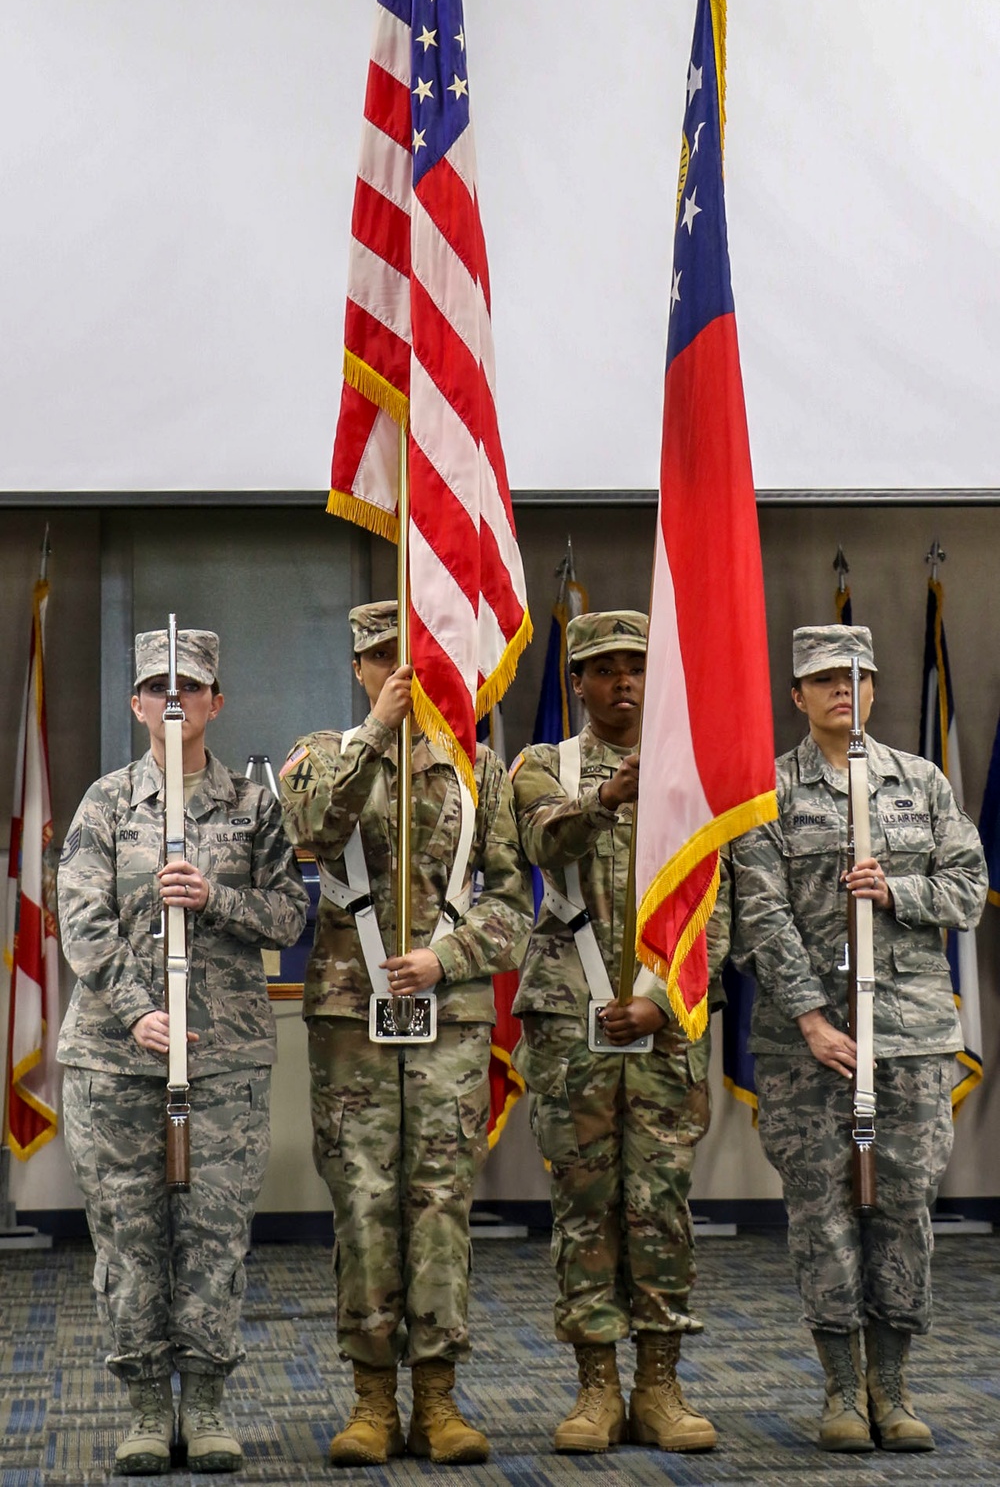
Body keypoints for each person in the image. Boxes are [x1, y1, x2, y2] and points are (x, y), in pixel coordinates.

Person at [279, 600, 532, 1468]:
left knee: (439, 1206)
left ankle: (439, 1399)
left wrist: (451, 956)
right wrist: (374, 738)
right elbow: (311, 833)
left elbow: (514, 907)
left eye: (414, 653)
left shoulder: (480, 773)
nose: (399, 669)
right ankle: (370, 1401)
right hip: (353, 1020)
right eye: (381, 657)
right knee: (361, 1203)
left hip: (449, 1022)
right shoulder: (318, 759)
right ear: (357, 668)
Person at [732, 622, 988, 1454]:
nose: (845, 689)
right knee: (822, 1213)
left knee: (905, 1209)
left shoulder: (920, 783)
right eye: (825, 678)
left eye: (859, 676)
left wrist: (899, 891)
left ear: (874, 689)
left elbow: (970, 888)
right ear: (797, 695)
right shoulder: (765, 796)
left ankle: (894, 1385)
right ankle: (842, 1390)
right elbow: (760, 918)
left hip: (910, 1037)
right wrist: (811, 1018)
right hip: (806, 1045)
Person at [57, 628, 308, 1476]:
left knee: (212, 1237)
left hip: (224, 1056)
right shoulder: (105, 805)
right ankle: (139, 1408)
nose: (174, 700)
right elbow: (81, 926)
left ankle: (203, 1403)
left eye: (191, 687)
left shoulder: (251, 805)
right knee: (129, 1239)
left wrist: (217, 898)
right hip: (116, 1060)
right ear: (135, 703)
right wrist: (136, 1013)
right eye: (157, 686)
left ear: (216, 702)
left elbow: (290, 916)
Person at [509, 610, 727, 1455]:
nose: (623, 682)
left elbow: (725, 907)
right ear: (578, 683)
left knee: (661, 1209)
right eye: (604, 669)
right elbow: (536, 839)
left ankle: (661, 1386)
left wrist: (666, 1003)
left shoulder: (694, 777)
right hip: (572, 1024)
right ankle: (597, 1387)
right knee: (584, 1208)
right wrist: (607, 796)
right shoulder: (544, 765)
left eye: (637, 667)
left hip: (665, 1031)